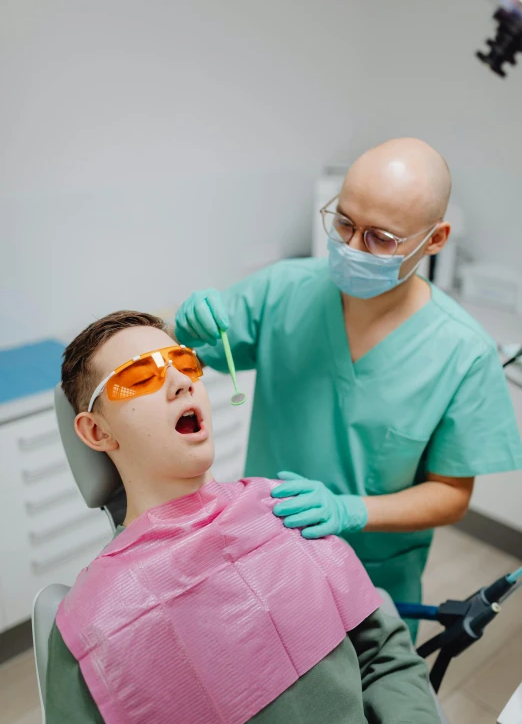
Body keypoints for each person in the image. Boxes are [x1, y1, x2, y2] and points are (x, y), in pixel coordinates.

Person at [175, 137, 522, 639]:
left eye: (380, 238)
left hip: (373, 580)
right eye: (343, 223)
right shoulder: (282, 290)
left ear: (436, 238)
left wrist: (349, 510)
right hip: (263, 549)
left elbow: (450, 496)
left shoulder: (462, 353)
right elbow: (181, 363)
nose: (352, 247)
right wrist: (182, 328)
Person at [45, 310, 441, 724]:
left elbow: (384, 657)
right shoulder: (93, 620)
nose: (183, 382)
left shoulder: (286, 511)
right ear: (96, 432)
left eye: (184, 363)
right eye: (141, 376)